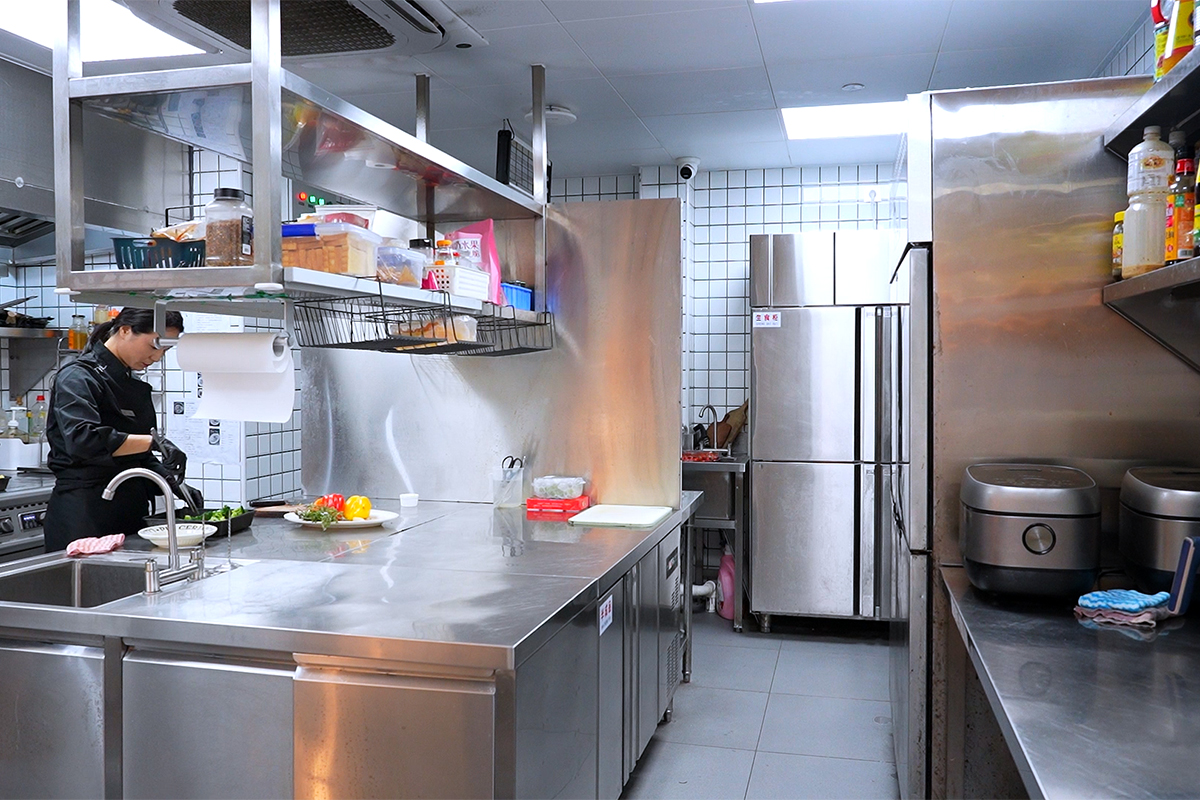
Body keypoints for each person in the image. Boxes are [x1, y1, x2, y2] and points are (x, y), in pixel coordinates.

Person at [42, 307, 202, 552]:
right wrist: (153, 442)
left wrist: (171, 482)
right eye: (153, 346)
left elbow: (136, 455)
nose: (158, 357)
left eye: (166, 350)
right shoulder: (77, 378)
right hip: (84, 514)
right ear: (125, 330)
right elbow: (83, 439)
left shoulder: (134, 387)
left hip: (129, 512)